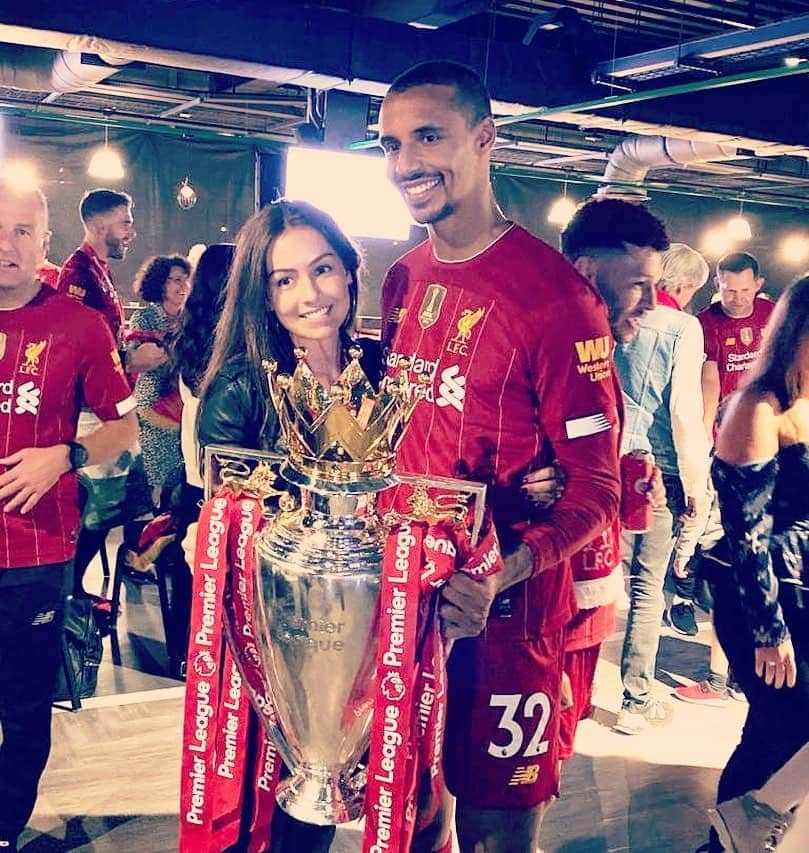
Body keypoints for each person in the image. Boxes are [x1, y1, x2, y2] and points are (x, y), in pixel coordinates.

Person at [378, 61, 621, 852]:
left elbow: (596, 490)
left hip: (508, 621)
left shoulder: (556, 299)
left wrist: (499, 567)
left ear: (485, 139)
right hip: (409, 610)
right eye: (389, 144)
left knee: (494, 834)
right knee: (408, 819)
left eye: (428, 137)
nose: (406, 162)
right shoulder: (403, 278)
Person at [196, 199, 381, 853]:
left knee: (321, 807)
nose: (310, 293)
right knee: (268, 813)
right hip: (276, 642)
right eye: (285, 279)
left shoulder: (386, 373)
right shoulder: (243, 386)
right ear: (264, 294)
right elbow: (221, 531)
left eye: (323, 269)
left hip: (367, 633)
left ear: (351, 274)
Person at [0, 180, 137, 851]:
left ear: (45, 242)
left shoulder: (79, 325)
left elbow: (126, 430)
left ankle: (2, 826)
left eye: (23, 231)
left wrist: (64, 454)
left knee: (24, 707)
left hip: (35, 550)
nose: (7, 245)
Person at [560, 198, 711, 736]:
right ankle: (634, 697)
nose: (648, 299)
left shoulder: (588, 322)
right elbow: (685, 414)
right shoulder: (678, 328)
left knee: (593, 588)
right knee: (644, 591)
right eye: (638, 283)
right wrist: (698, 485)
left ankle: (573, 699)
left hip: (601, 472)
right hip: (651, 477)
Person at [707, 273, 809, 851]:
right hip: (761, 600)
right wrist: (769, 633)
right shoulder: (759, 407)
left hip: (804, 592)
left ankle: (736, 838)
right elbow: (748, 537)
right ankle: (735, 835)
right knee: (785, 730)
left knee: (774, 732)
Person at [165, 243, 234, 679]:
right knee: (210, 583)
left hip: (194, 474)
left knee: (195, 581)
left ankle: (190, 661)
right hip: (216, 481)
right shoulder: (229, 344)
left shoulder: (194, 333)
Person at [128, 254, 191, 498]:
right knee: (154, 480)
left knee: (179, 478)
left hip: (183, 407)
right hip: (153, 408)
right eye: (175, 280)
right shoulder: (146, 317)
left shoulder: (189, 317)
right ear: (160, 283)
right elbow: (140, 359)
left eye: (186, 280)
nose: (182, 286)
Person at [698, 252, 774, 436]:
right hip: (727, 418)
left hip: (769, 411)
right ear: (717, 285)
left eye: (746, 290)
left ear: (758, 284)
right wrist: (706, 428)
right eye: (730, 291)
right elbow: (709, 377)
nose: (738, 298)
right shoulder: (704, 322)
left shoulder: (772, 312)